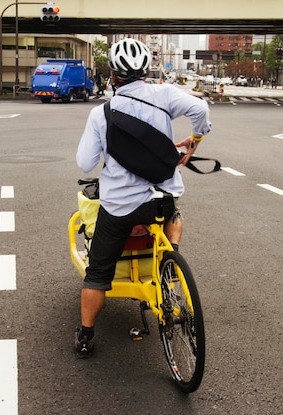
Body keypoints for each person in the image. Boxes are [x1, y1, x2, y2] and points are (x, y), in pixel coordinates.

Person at [74, 38, 212, 358]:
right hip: (161, 202)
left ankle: (84, 336)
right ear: (147, 71)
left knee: (97, 274)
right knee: (175, 215)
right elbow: (201, 108)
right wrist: (195, 139)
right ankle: (169, 260)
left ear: (112, 75)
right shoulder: (164, 95)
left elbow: (85, 164)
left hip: (120, 207)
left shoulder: (101, 114)